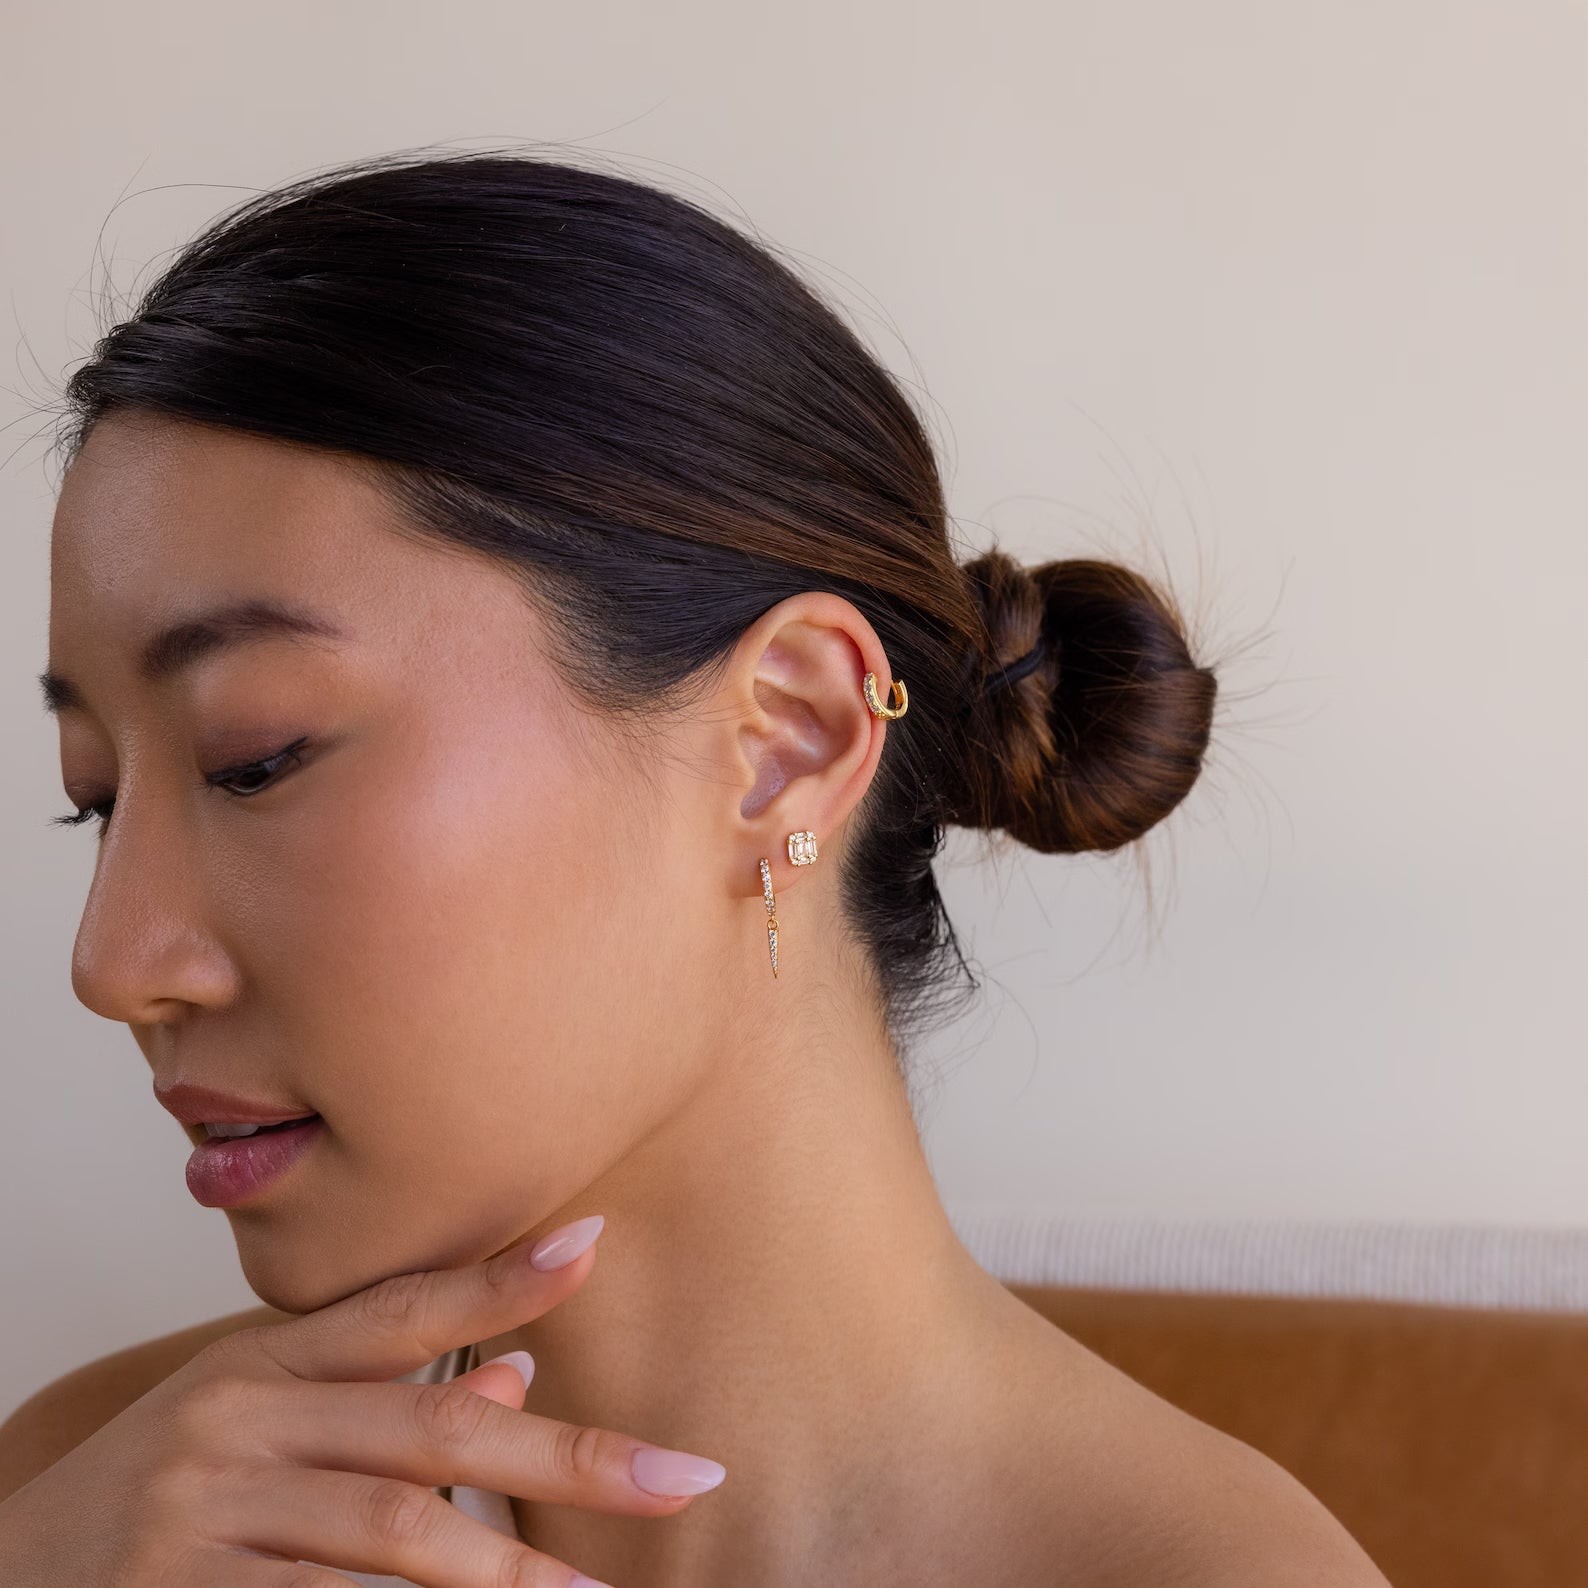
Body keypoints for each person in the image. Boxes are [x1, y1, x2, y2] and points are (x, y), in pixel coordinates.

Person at [0, 147, 1391, 1586]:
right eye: (94, 800)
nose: (114, 964)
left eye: (256, 757)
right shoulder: (97, 1506)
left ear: (787, 739)